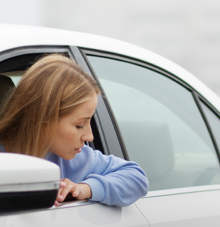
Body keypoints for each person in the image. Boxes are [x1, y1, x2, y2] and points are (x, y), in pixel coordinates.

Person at [0, 54, 148, 206]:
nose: (90, 137)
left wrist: (85, 189)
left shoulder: (75, 160)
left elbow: (136, 177)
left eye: (89, 122)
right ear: (43, 120)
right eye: (79, 125)